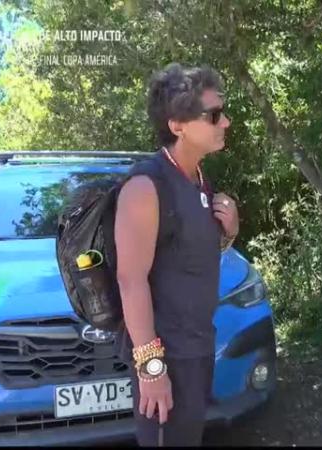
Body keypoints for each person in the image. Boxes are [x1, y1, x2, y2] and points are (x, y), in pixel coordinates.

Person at [114, 63, 239, 447]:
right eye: (214, 115)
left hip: (199, 347)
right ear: (178, 125)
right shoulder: (145, 187)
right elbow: (130, 282)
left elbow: (187, 258)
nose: (226, 122)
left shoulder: (200, 181)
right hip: (166, 357)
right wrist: (151, 370)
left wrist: (229, 232)